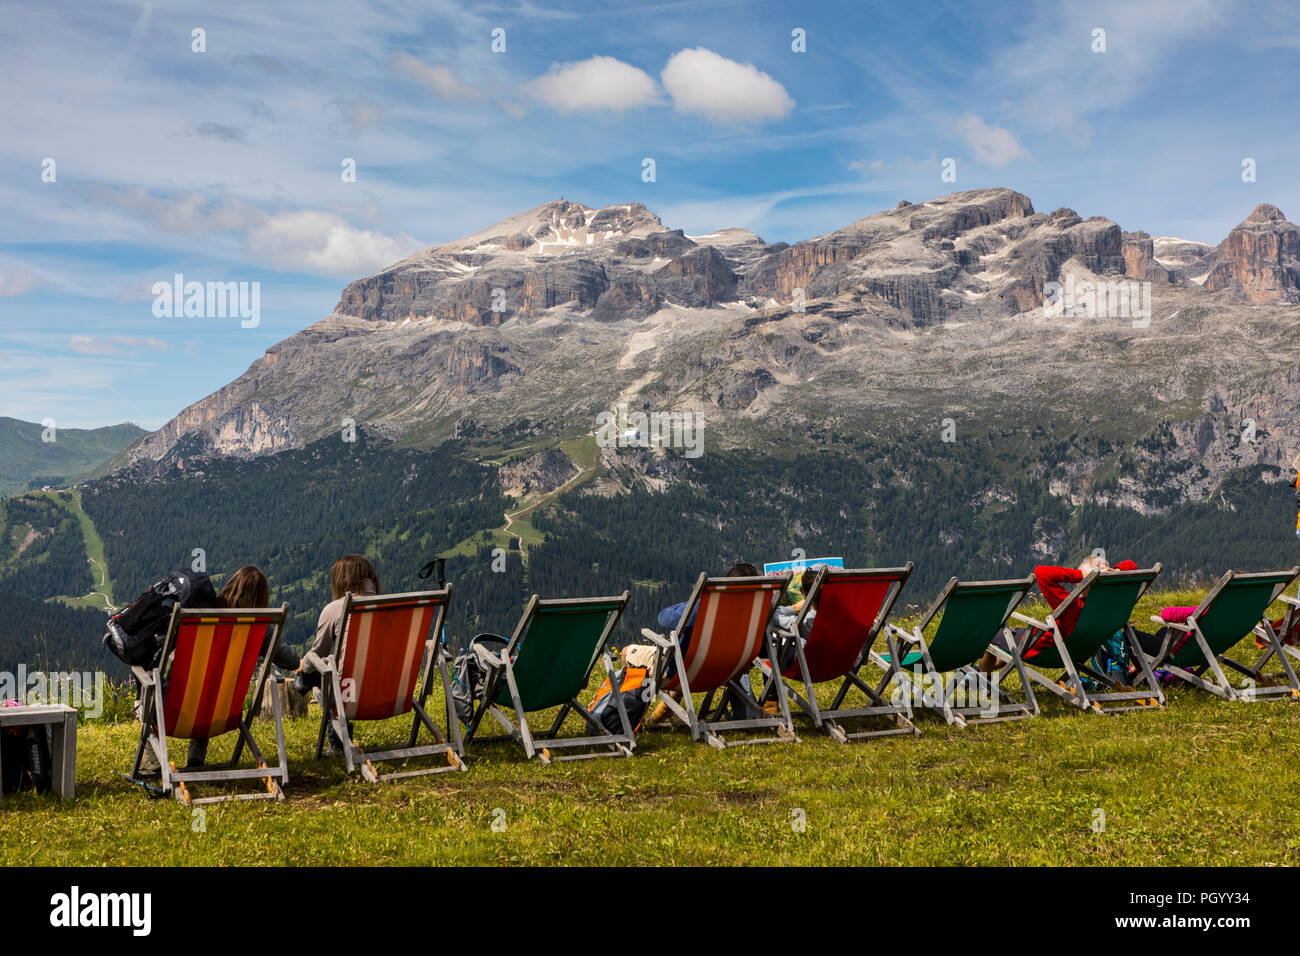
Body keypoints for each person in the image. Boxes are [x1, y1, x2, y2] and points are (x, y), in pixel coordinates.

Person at [979, 552, 1140, 672]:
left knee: (990, 637)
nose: (1078, 585)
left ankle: (983, 683)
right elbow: (1131, 564)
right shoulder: (1110, 606)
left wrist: (1082, 576)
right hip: (1080, 651)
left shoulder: (1073, 606)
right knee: (1005, 648)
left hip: (1041, 649)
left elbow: (1041, 572)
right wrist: (1114, 572)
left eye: (1082, 582)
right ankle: (980, 672)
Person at [292, 554, 381, 752]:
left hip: (352, 692)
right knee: (327, 676)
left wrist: (302, 668)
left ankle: (338, 743)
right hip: (388, 689)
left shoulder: (334, 609)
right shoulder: (390, 606)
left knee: (313, 672)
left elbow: (318, 653)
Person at [650, 561, 761, 721]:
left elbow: (664, 618)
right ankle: (669, 702)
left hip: (688, 673)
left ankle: (626, 719)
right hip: (729, 670)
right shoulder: (756, 610)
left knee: (627, 653)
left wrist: (691, 603)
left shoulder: (706, 607)